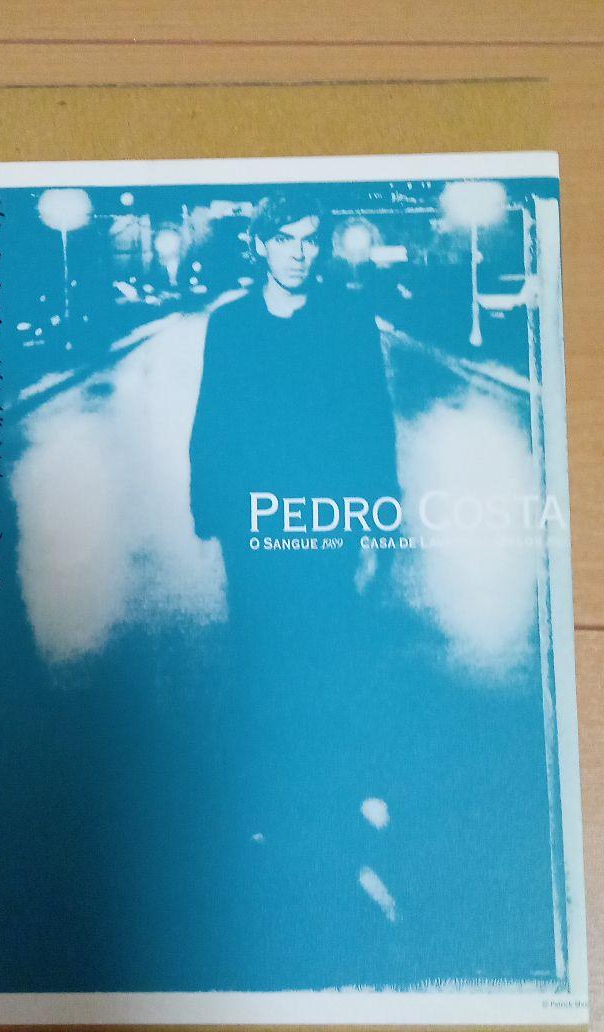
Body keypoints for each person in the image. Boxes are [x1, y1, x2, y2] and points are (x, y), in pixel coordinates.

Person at [187, 192, 406, 989]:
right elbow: (213, 418)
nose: (298, 251)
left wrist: (378, 520)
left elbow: (373, 421)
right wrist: (210, 508)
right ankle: (267, 813)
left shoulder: (348, 322)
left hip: (325, 525)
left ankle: (342, 810)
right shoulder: (231, 325)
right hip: (254, 529)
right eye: (284, 238)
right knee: (261, 661)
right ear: (260, 245)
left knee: (333, 663)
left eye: (310, 239)